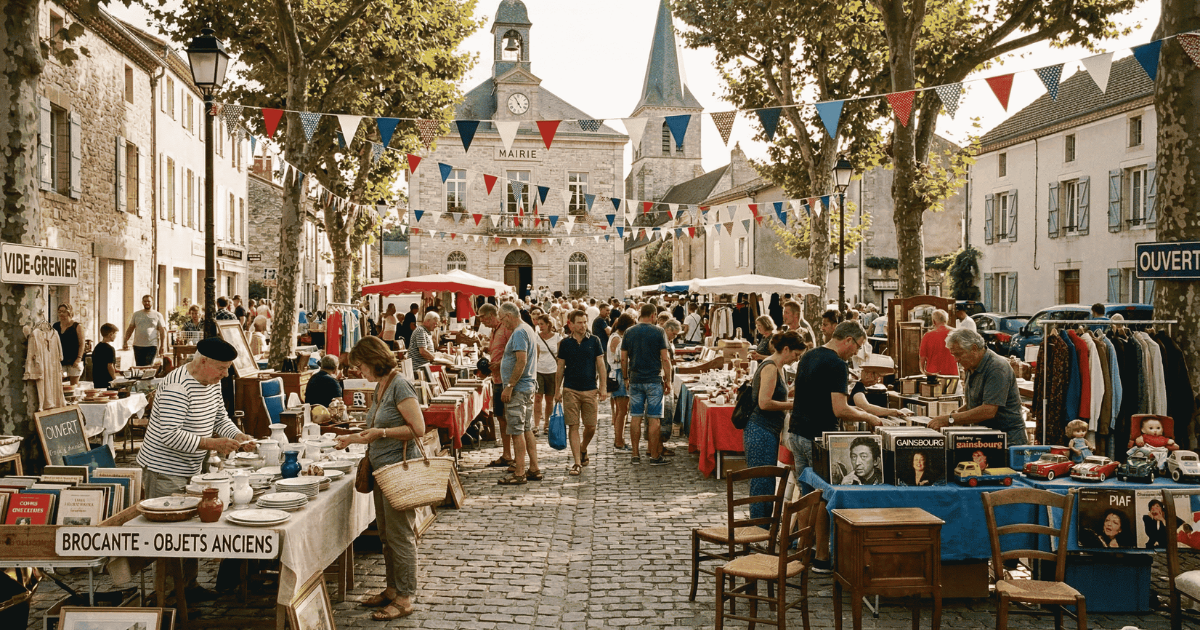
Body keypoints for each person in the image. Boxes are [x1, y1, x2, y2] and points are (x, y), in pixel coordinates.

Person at [334, 337, 425, 620]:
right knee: (387, 536)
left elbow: (418, 429)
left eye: (360, 366)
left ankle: (405, 597)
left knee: (401, 536)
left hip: (398, 470)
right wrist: (352, 437)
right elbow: (375, 425)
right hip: (381, 470)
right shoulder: (382, 384)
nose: (359, 372)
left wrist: (381, 434)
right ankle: (392, 589)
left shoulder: (400, 385)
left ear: (374, 359)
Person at [785, 321, 882, 572]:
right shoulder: (837, 364)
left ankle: (803, 551)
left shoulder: (809, 355)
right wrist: (868, 417)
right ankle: (822, 556)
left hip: (797, 432)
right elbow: (839, 409)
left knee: (807, 495)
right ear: (848, 340)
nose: (857, 353)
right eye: (858, 346)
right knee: (823, 497)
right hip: (816, 438)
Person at [928, 328, 1028, 446]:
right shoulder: (972, 366)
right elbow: (975, 403)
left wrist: (950, 419)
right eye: (954, 355)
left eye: (959, 354)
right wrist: (954, 414)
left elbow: (988, 410)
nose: (956, 360)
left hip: (1009, 441)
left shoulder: (997, 368)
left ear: (974, 349)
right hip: (989, 438)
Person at [744, 331, 805, 518]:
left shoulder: (780, 368)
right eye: (795, 354)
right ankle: (759, 529)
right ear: (785, 349)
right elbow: (764, 402)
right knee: (762, 481)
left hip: (768, 430)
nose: (796, 359)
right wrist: (793, 404)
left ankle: (763, 528)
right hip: (760, 429)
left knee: (767, 480)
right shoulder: (770, 367)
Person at [555, 309, 607, 476]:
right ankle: (577, 462)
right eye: (579, 322)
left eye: (585, 322)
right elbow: (560, 368)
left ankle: (583, 448)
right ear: (571, 323)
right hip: (570, 389)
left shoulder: (595, 340)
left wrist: (603, 387)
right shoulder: (565, 343)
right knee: (573, 425)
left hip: (590, 389)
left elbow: (601, 365)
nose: (583, 325)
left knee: (591, 426)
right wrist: (557, 390)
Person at [496, 302, 542, 485]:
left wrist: (509, 385)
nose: (502, 324)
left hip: (519, 389)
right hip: (527, 386)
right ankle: (534, 468)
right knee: (526, 428)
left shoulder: (519, 332)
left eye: (501, 319)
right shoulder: (528, 329)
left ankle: (520, 472)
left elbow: (521, 361)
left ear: (508, 316)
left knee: (517, 430)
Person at [622, 304, 672, 466]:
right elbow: (665, 358)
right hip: (653, 379)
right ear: (653, 315)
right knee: (654, 418)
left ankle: (635, 454)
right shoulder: (659, 331)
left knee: (635, 417)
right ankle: (654, 455)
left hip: (635, 379)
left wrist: (625, 377)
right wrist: (668, 380)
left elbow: (624, 358)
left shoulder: (629, 332)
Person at [478, 303, 516, 469]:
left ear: (491, 316)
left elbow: (514, 354)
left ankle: (515, 455)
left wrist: (499, 364)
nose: (483, 323)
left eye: (484, 319)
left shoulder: (506, 329)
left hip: (506, 379)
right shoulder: (494, 330)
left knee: (509, 419)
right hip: (497, 378)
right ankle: (507, 454)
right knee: (501, 417)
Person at [850, 355, 911, 420]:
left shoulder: (858, 384)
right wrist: (893, 412)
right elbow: (865, 407)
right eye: (878, 376)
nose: (876, 381)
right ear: (869, 374)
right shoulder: (857, 385)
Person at [608, 314, 635, 452]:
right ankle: (618, 440)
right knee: (622, 411)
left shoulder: (617, 337)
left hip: (618, 373)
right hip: (618, 374)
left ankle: (620, 439)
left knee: (622, 410)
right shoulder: (617, 338)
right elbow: (619, 359)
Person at [532, 314, 562, 437]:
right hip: (539, 370)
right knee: (538, 398)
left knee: (550, 400)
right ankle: (536, 425)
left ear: (548, 324)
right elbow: (535, 355)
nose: (540, 327)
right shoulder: (537, 337)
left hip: (553, 371)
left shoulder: (557, 337)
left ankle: (547, 425)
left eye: (542, 324)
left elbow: (560, 357)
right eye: (539, 324)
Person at [123, 295, 167, 367]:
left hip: (152, 345)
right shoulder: (136, 314)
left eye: (148, 301)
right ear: (142, 302)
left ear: (152, 302)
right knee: (139, 367)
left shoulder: (157, 315)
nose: (147, 303)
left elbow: (162, 331)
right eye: (145, 301)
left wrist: (162, 345)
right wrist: (125, 341)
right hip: (138, 345)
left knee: (148, 366)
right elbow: (130, 328)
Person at [919, 309, 959, 377]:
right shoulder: (955, 333)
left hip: (933, 373)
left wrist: (923, 371)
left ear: (934, 321)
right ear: (946, 320)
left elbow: (922, 357)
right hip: (952, 372)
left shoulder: (927, 336)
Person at [53, 303, 85, 385]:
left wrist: (79, 358)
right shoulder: (56, 326)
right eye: (59, 312)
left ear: (69, 312)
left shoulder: (77, 326)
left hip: (74, 359)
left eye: (64, 311)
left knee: (74, 384)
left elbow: (82, 343)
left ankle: (73, 398)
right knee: (58, 383)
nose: (61, 314)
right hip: (60, 359)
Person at [92, 324, 119, 390]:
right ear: (110, 334)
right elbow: (110, 365)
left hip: (97, 379)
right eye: (115, 334)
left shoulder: (97, 347)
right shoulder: (110, 349)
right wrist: (114, 379)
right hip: (107, 380)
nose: (116, 336)